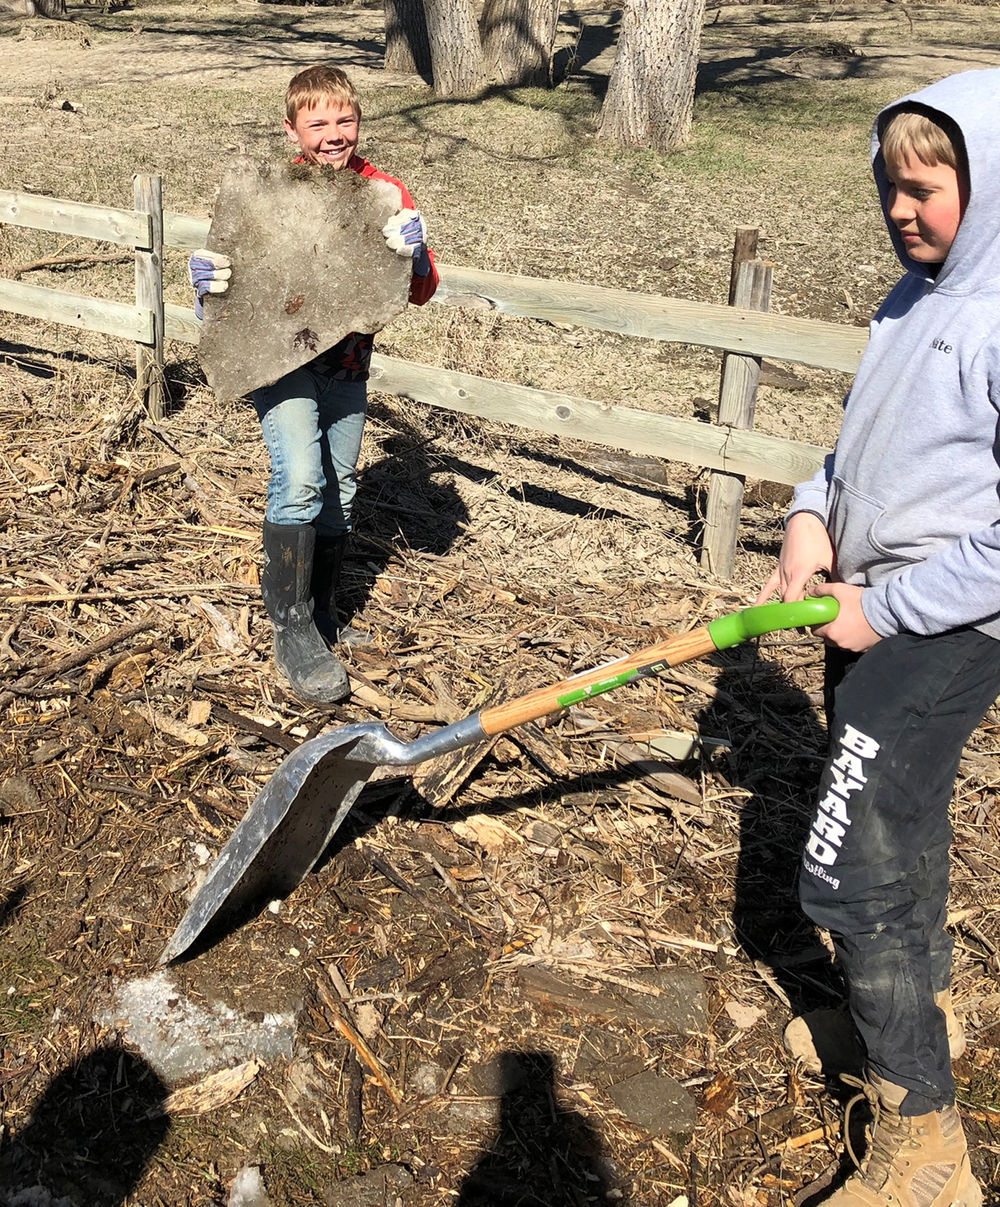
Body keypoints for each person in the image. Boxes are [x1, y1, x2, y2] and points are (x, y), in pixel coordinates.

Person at [756, 68, 1000, 1206]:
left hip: (939, 628)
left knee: (845, 873)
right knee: (895, 834)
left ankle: (924, 1149)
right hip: (859, 604)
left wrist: (887, 607)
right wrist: (811, 515)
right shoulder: (910, 300)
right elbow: (856, 451)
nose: (903, 209)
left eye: (929, 186)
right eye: (888, 186)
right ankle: (908, 1023)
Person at [187, 64, 438, 704]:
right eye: (317, 122)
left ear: (359, 121)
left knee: (342, 487)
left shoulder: (382, 191)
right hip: (280, 363)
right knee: (300, 476)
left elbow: (419, 292)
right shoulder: (268, 191)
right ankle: (292, 627)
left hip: (348, 366)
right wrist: (207, 289)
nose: (333, 134)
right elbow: (238, 278)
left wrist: (414, 250)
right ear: (292, 127)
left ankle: (322, 614)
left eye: (344, 119)